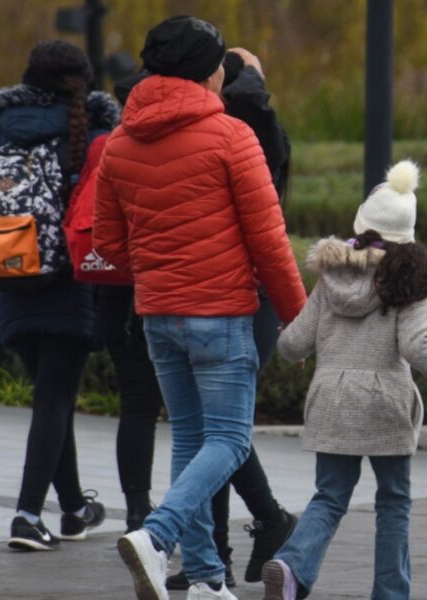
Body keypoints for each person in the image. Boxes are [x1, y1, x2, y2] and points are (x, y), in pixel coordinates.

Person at [93, 16, 306, 600]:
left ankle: (210, 581)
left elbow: (109, 245)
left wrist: (162, 266)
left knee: (190, 439)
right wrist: (298, 317)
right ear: (204, 71)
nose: (221, 74)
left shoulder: (120, 141)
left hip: (158, 313)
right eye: (218, 64)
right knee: (232, 440)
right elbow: (269, 241)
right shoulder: (232, 136)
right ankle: (157, 537)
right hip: (220, 313)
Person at [261, 160, 427, 600]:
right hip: (386, 397)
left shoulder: (332, 275)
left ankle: (290, 566)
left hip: (331, 398)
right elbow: (417, 347)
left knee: (329, 496)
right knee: (393, 502)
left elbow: (293, 345)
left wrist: (287, 340)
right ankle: (390, 594)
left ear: (361, 223)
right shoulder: (411, 280)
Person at [0, 40, 118, 551]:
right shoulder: (91, 137)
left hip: (10, 281)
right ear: (83, 82)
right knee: (54, 401)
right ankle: (25, 515)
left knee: (50, 401)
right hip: (68, 285)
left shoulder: (2, 136)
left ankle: (75, 508)